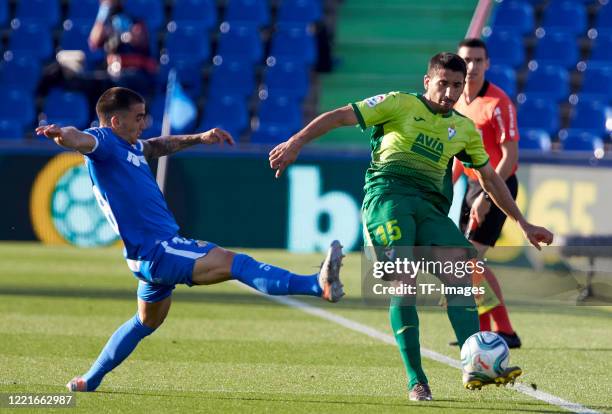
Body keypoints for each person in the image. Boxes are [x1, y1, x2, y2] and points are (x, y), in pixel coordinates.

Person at [268, 52, 553, 401]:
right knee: (404, 282)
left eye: (456, 86)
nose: (449, 92)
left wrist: (523, 223)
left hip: (431, 210)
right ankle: (417, 381)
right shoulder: (397, 103)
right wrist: (296, 142)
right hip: (388, 200)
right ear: (427, 82)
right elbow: (340, 115)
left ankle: (474, 361)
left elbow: (491, 178)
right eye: (443, 84)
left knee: (462, 273)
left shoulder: (463, 128)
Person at [36, 87, 345, 392]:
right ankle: (315, 285)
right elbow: (78, 138)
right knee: (235, 263)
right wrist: (60, 134)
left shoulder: (130, 146)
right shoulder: (103, 142)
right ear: (116, 121)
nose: (144, 123)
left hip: (149, 254)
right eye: (139, 117)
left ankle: (90, 379)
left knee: (146, 321)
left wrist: (199, 138)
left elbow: (157, 145)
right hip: (159, 251)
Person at [451, 38, 521, 348]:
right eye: (467, 60)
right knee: (470, 263)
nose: (472, 67)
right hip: (471, 185)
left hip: (497, 184)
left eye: (479, 61)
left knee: (470, 260)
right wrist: (446, 188)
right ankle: (489, 331)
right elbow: (457, 155)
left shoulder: (499, 102)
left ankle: (502, 330)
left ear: (488, 64)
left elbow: (510, 157)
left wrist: (487, 196)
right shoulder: (457, 101)